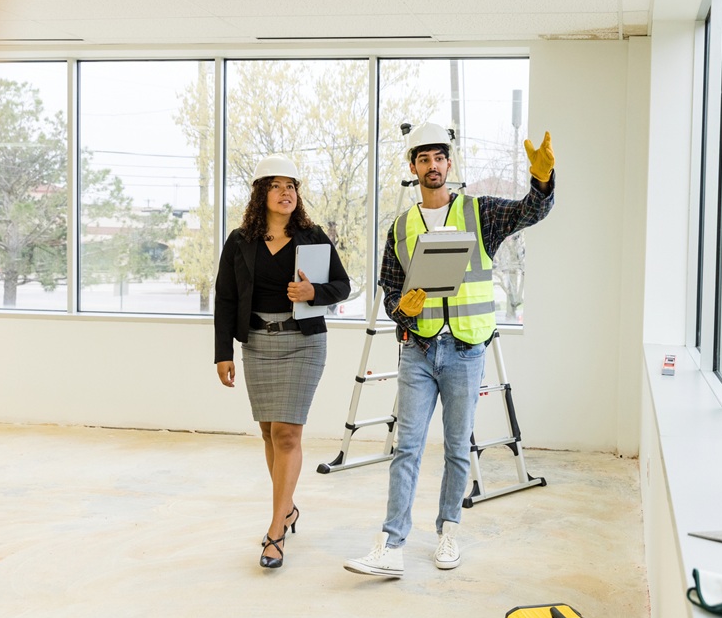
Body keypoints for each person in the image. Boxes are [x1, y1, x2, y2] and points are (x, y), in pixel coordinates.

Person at [344, 122, 556, 578]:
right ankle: (392, 544)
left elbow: (530, 211)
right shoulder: (400, 227)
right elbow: (390, 291)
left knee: (458, 447)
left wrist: (542, 180)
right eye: (424, 159)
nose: (433, 165)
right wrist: (403, 309)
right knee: (407, 448)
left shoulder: (479, 213)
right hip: (418, 350)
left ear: (449, 163)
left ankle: (448, 533)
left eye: (439, 157)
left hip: (464, 349)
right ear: (413, 167)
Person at [214, 154, 350, 569]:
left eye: (291, 186)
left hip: (304, 343)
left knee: (288, 434)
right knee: (269, 434)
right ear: (261, 194)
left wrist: (315, 294)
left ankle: (275, 532)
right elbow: (225, 299)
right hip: (257, 342)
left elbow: (343, 285)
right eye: (276, 185)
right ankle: (287, 508)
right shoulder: (240, 241)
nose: (286, 192)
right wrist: (223, 353)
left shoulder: (313, 237)